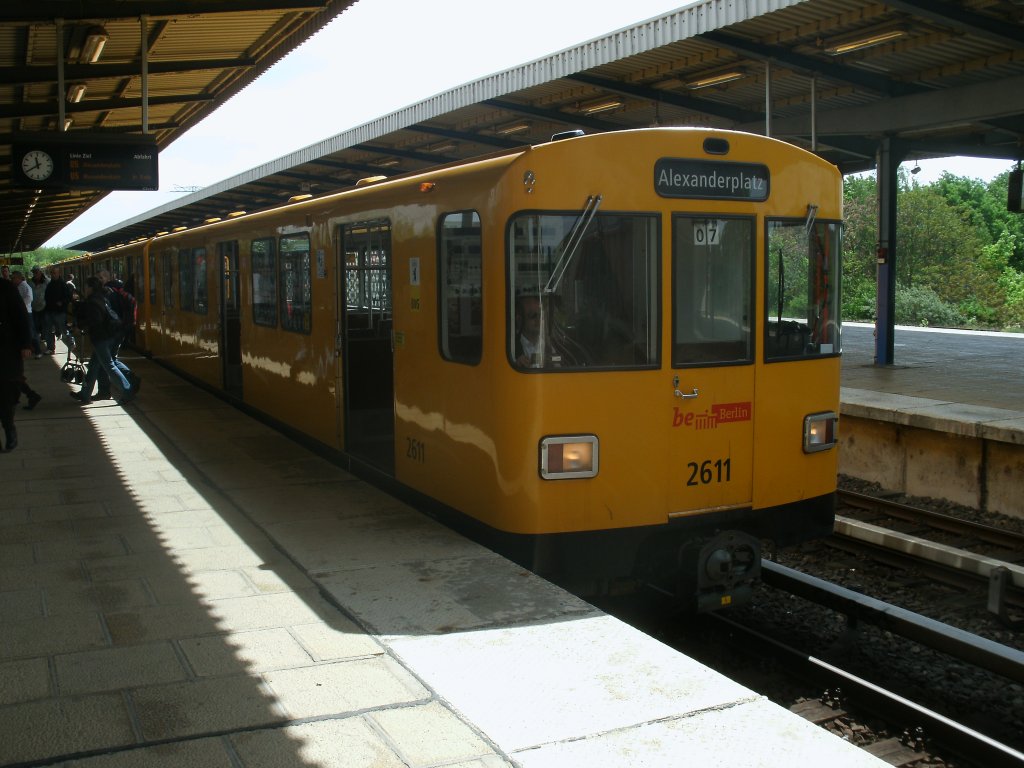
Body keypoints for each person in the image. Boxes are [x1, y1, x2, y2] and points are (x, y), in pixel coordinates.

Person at [70, 276, 140, 405]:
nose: (84, 289)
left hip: (101, 337)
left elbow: (96, 320)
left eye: (86, 287)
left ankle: (128, 391)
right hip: (110, 335)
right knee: (94, 365)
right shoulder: (102, 297)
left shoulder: (93, 301)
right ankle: (86, 393)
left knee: (109, 365)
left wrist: (80, 327)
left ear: (90, 288)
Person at [0, 276, 32, 451]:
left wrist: (26, 344)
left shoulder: (6, 288)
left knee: (6, 394)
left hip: (6, 350)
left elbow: (21, 316)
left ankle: (9, 429)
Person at [9, 271, 42, 409]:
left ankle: (28, 395)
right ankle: (18, 397)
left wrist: (26, 345)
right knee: (12, 375)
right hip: (11, 344)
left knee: (12, 375)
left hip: (10, 345)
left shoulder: (20, 292)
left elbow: (24, 328)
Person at [41, 266, 70, 354]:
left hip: (59, 311)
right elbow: (46, 296)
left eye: (54, 273)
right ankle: (50, 348)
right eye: (52, 273)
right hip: (49, 310)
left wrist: (61, 302)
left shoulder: (63, 284)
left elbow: (68, 297)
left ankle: (71, 344)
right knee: (48, 330)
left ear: (59, 273)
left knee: (62, 329)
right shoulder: (50, 284)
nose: (53, 275)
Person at [515, 295, 546, 367]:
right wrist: (516, 364)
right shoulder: (510, 349)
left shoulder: (551, 346)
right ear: (519, 320)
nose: (539, 320)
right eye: (533, 316)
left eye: (541, 315)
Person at [29, 267, 47, 357]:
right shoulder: (30, 282)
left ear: (40, 272)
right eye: (34, 272)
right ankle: (36, 345)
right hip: (33, 308)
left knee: (45, 325)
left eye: (37, 272)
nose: (35, 274)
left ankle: (47, 343)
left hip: (44, 307)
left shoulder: (46, 282)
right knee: (35, 327)